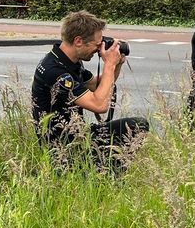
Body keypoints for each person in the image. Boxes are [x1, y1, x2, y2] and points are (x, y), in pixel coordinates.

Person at [31, 10, 149, 168]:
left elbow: (97, 86)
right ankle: (105, 174)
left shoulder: (69, 61)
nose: (98, 49)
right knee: (133, 128)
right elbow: (99, 105)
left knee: (138, 125)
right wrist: (109, 64)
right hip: (64, 148)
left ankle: (111, 173)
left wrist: (116, 64)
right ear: (78, 41)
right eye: (96, 44)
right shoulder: (56, 71)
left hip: (79, 134)